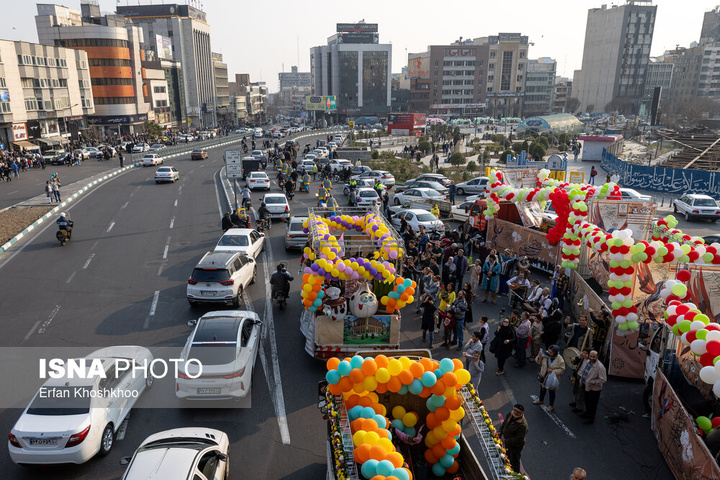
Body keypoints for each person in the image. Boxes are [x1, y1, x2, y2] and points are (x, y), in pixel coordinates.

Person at [577, 350, 607, 424]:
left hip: (594, 389)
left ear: (597, 357)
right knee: (587, 402)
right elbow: (583, 372)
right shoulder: (588, 362)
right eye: (591, 356)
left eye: (594, 357)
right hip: (586, 386)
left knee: (592, 404)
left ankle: (590, 418)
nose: (592, 358)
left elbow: (603, 379)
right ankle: (587, 413)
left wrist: (593, 382)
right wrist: (581, 381)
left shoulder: (600, 367)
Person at [533, 345, 565, 412]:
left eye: (551, 352)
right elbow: (538, 362)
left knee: (551, 391)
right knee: (542, 388)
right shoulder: (545, 355)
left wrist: (553, 371)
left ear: (555, 352)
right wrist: (539, 356)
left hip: (552, 377)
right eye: (549, 351)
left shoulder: (560, 359)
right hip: (544, 375)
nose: (549, 353)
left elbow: (562, 369)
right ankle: (541, 400)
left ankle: (551, 406)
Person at [498, 404, 528, 473]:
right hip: (508, 442)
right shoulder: (510, 414)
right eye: (515, 410)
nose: (516, 412)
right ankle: (507, 471)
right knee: (507, 456)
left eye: (518, 412)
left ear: (522, 413)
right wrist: (500, 432)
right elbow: (504, 424)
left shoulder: (523, 425)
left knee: (514, 461)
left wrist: (506, 441)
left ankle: (516, 474)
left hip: (516, 446)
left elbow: (518, 439)